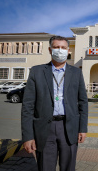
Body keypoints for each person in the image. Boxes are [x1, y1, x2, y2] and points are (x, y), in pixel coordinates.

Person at [21, 36, 88, 171]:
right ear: (50, 50)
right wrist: (28, 136)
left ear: (68, 50)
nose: (60, 50)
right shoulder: (37, 71)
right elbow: (27, 106)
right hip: (45, 128)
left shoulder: (76, 73)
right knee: (45, 166)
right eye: (56, 47)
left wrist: (82, 128)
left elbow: (83, 102)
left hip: (69, 127)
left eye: (63, 48)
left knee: (68, 167)